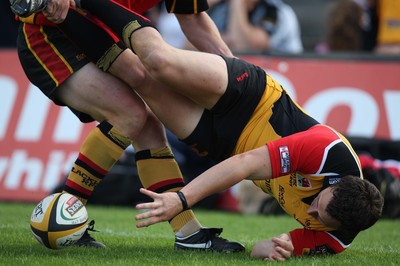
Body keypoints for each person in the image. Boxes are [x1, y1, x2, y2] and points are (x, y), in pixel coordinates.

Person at [19, 0, 384, 260]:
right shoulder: (327, 152)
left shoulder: (334, 235)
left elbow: (263, 248)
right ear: (333, 182)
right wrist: (182, 199)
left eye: (321, 221)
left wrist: (274, 249)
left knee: (141, 82)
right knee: (159, 61)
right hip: (252, 101)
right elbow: (243, 166)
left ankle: (184, 234)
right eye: (319, 208)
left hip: (221, 142)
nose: (313, 216)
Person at [9, 0, 244, 252]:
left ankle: (188, 233)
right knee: (130, 114)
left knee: (149, 125)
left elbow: (193, 19)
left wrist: (237, 77)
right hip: (49, 34)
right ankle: (63, 215)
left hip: (102, 27)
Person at [207, 0, 303, 53]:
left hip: (281, 76)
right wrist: (205, 4)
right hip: (242, 76)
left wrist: (237, 3)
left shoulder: (278, 12)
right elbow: (196, 40)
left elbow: (244, 46)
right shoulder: (222, 7)